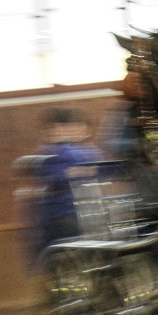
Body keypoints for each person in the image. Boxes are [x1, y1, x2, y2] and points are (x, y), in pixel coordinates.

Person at [33, 107, 106, 253]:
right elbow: (52, 178)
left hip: (83, 212)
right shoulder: (51, 153)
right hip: (64, 215)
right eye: (54, 127)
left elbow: (104, 169)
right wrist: (71, 174)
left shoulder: (84, 151)